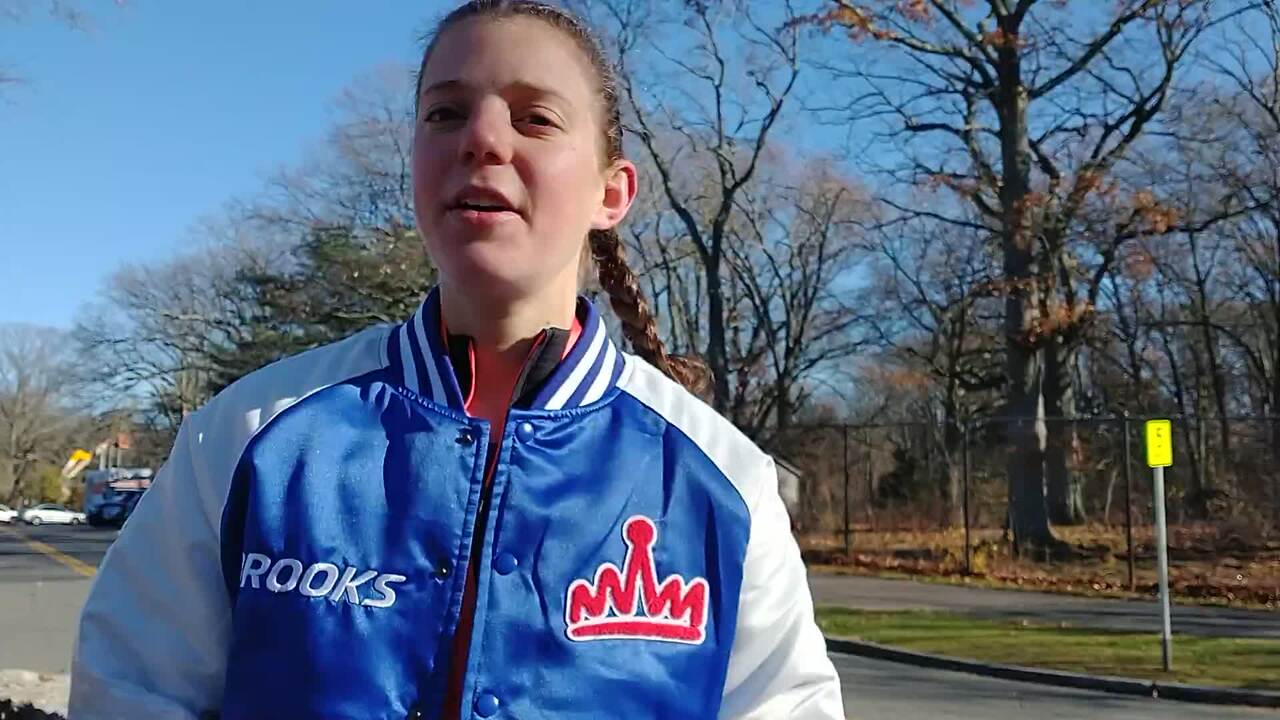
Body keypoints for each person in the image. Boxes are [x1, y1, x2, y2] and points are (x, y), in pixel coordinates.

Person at [68, 2, 845, 718]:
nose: (483, 139)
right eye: (446, 113)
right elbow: (129, 686)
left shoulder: (725, 480)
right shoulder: (248, 437)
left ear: (612, 193)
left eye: (536, 118)